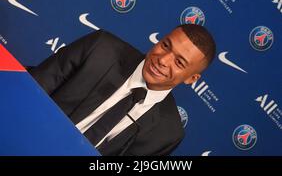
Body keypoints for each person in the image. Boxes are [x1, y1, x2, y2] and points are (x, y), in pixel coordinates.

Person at [29, 24, 216, 156]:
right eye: (165, 45)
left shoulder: (168, 133)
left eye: (179, 62)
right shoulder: (100, 48)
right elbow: (31, 90)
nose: (163, 60)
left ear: (192, 79)